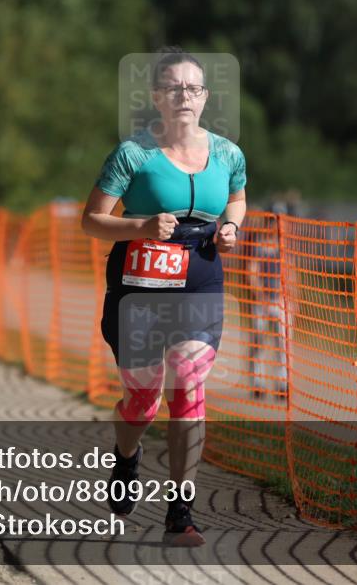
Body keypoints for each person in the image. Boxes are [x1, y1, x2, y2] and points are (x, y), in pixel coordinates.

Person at [81, 47, 246, 547]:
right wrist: (142, 226)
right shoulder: (133, 154)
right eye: (173, 88)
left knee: (190, 389)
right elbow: (91, 220)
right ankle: (127, 457)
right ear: (156, 97)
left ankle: (181, 514)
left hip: (201, 280)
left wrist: (232, 226)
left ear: (205, 97)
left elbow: (237, 195)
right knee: (143, 400)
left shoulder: (227, 153)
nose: (184, 97)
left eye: (193, 88)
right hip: (140, 288)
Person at [246, 227, 288, 399]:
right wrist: (260, 295)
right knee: (258, 343)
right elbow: (252, 272)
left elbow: (289, 272)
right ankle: (258, 383)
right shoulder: (259, 246)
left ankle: (282, 384)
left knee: (282, 345)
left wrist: (290, 298)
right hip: (261, 301)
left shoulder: (283, 247)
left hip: (280, 301)